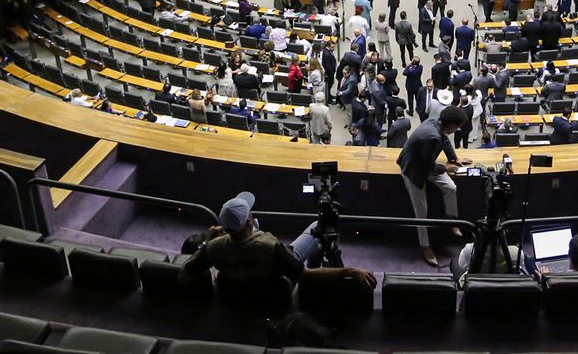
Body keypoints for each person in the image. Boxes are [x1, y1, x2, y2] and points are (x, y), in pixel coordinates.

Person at [179, 192, 376, 298]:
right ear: (248, 220)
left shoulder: (214, 248)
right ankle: (319, 257)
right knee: (318, 225)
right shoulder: (270, 247)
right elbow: (304, 277)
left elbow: (184, 274)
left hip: (242, 296)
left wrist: (207, 241)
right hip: (278, 275)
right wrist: (348, 271)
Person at [397, 106, 470, 266]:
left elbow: (445, 139)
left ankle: (451, 220)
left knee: (451, 188)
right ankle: (425, 246)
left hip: (425, 163)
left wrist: (454, 158)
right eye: (457, 127)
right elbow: (427, 166)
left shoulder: (437, 122)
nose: (457, 130)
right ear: (451, 125)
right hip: (413, 169)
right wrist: (446, 168)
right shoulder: (432, 137)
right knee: (421, 212)